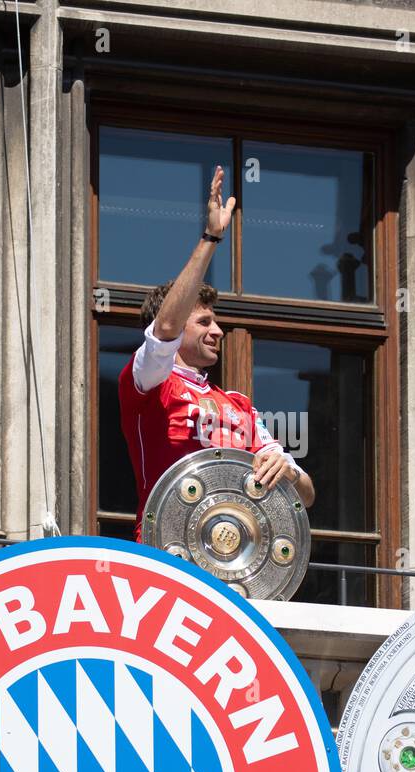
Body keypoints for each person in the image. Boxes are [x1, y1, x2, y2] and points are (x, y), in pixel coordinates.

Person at [118, 165, 315, 542]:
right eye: (204, 321)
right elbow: (163, 331)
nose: (218, 331)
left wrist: (288, 472)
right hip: (168, 550)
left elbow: (306, 496)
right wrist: (211, 238)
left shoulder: (238, 404)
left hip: (235, 558)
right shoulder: (148, 382)